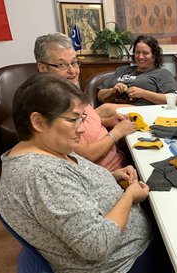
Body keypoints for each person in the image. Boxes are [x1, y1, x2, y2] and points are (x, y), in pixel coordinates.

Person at [0, 73, 177, 273]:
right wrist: (128, 197)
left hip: (109, 241)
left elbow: (76, 185)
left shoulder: (44, 150)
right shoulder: (41, 175)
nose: (81, 128)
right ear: (38, 122)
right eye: (74, 119)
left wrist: (114, 177)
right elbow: (97, 245)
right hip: (103, 271)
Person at [34, 32, 135, 171]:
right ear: (43, 68)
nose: (73, 71)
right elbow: (88, 154)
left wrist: (107, 121)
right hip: (108, 174)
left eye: (74, 63)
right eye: (62, 65)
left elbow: (84, 121)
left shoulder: (68, 90)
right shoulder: (51, 105)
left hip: (120, 160)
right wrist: (117, 132)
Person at [95, 35, 177, 119]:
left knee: (105, 109)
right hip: (113, 110)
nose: (140, 57)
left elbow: (173, 99)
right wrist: (112, 91)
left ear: (154, 55)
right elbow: (100, 96)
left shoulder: (162, 73)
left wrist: (144, 94)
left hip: (142, 111)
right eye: (137, 52)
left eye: (145, 53)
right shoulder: (122, 70)